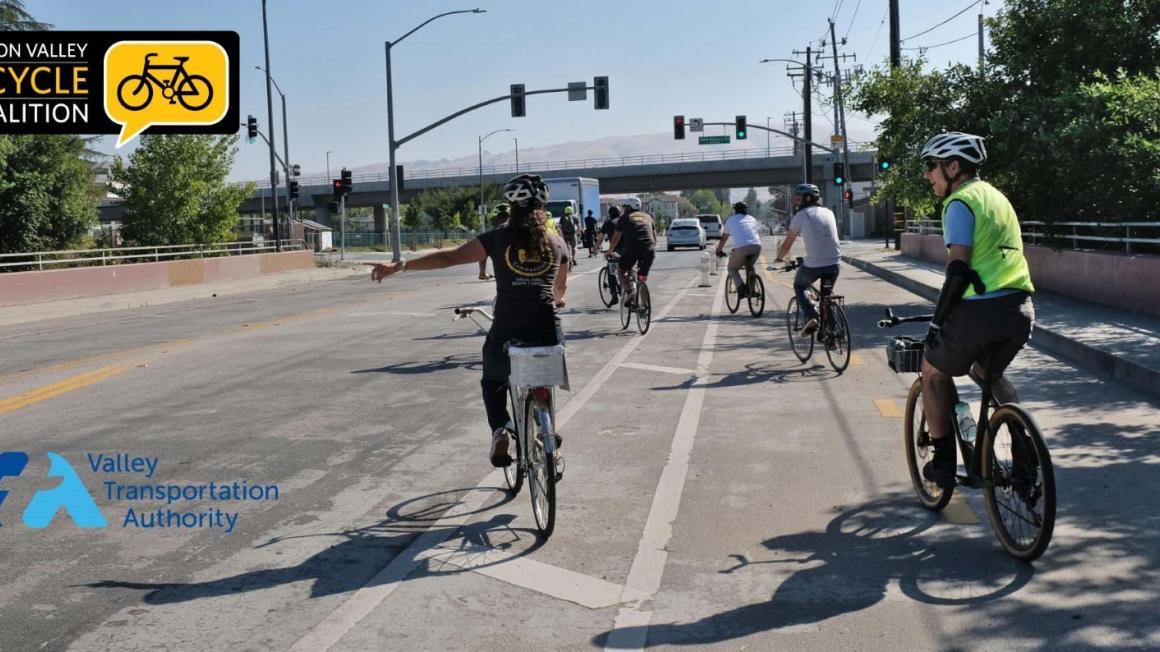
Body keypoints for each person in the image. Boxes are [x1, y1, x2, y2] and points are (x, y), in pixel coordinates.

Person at [366, 174, 569, 468]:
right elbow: (560, 289)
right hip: (548, 328)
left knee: (494, 380)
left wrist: (400, 266)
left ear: (511, 207)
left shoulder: (498, 236)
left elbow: (448, 259)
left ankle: (501, 430)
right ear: (543, 207)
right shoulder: (558, 243)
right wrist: (554, 297)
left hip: (507, 327)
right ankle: (548, 432)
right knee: (544, 379)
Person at [916, 132, 1035, 487]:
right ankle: (1026, 454)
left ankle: (942, 464)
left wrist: (937, 324)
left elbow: (958, 270)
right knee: (989, 375)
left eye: (931, 167)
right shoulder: (997, 198)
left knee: (932, 372)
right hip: (1021, 309)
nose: (928, 175)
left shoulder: (959, 202)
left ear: (954, 166)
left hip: (981, 311)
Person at [775, 183, 841, 335]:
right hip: (835, 263)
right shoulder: (829, 212)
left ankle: (811, 316)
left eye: (798, 199)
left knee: (799, 286)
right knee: (827, 295)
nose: (796, 203)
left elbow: (787, 244)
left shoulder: (800, 216)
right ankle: (832, 336)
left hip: (814, 265)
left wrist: (779, 258)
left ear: (808, 198)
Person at [605, 196, 656, 306]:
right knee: (642, 278)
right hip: (649, 249)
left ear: (628, 208)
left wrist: (610, 251)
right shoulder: (648, 217)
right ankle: (644, 308)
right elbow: (654, 237)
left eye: (624, 207)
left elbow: (616, 237)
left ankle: (630, 291)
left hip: (633, 248)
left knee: (621, 270)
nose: (623, 209)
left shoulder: (625, 217)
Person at [716, 201, 763, 298]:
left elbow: (724, 238)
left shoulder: (731, 220)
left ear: (735, 210)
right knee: (750, 265)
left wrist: (718, 250)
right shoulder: (752, 219)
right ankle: (752, 289)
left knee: (731, 268)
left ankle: (742, 288)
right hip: (757, 246)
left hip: (742, 248)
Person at [598, 206, 624, 302]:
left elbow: (600, 239)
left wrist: (594, 249)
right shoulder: (624, 221)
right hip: (629, 250)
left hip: (615, 251)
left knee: (611, 272)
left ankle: (614, 295)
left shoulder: (607, 223)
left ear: (609, 214)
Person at [478, 203, 510, 280]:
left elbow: (482, 257)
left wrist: (482, 273)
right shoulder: (523, 233)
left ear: (494, 219)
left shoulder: (490, 237)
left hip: (503, 280)